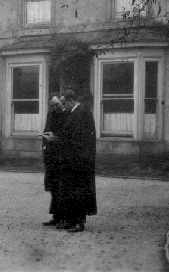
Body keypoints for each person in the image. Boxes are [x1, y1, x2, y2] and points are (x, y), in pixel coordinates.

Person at [46, 90, 97, 233]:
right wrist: (56, 137)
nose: (63, 107)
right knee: (72, 191)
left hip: (80, 160)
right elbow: (69, 135)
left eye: (63, 103)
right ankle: (72, 220)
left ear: (71, 101)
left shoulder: (82, 113)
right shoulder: (76, 113)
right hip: (73, 159)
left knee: (79, 191)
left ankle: (79, 222)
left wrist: (58, 139)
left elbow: (80, 139)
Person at [41, 93, 67, 227]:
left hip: (63, 156)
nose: (55, 107)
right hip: (51, 156)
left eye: (57, 104)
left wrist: (56, 138)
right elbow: (46, 131)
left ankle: (64, 218)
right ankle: (56, 216)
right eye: (52, 105)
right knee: (53, 187)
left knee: (63, 188)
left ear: (62, 102)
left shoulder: (68, 115)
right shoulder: (51, 114)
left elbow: (68, 136)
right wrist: (45, 145)